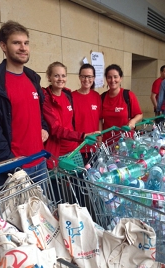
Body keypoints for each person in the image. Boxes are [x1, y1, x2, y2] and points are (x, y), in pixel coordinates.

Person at [0, 20, 49, 187]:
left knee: (43, 212)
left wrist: (44, 127)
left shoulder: (33, 78)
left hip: (40, 162)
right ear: (3, 46)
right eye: (16, 43)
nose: (23, 48)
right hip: (15, 170)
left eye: (26, 43)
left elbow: (38, 111)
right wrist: (13, 166)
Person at [42, 61, 99, 204]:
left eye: (63, 75)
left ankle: (80, 217)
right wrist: (81, 136)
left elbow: (70, 122)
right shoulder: (46, 99)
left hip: (73, 151)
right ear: (49, 77)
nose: (60, 79)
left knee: (80, 189)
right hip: (57, 153)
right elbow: (55, 129)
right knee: (58, 194)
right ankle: (62, 220)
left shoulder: (67, 95)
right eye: (56, 75)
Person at [101, 64, 143, 142]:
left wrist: (133, 121)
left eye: (115, 77)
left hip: (126, 141)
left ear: (121, 78)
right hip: (108, 142)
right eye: (109, 77)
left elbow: (139, 114)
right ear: (106, 79)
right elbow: (100, 120)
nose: (112, 80)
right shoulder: (102, 97)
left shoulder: (128, 95)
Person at [72, 63, 102, 165]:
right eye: (84, 76)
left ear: (93, 78)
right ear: (79, 77)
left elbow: (99, 120)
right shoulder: (71, 97)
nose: (86, 79)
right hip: (78, 148)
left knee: (94, 176)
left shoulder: (96, 96)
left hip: (94, 146)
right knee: (79, 179)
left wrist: (100, 139)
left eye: (89, 76)